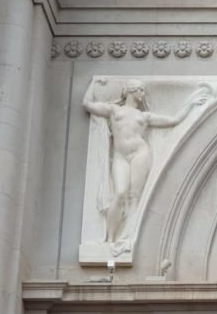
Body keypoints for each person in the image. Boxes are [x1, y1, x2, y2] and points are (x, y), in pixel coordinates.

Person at [83, 78, 209, 253]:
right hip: (120, 156)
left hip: (140, 154)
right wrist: (94, 83)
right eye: (141, 90)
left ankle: (128, 238)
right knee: (119, 194)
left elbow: (173, 120)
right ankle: (110, 240)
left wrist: (192, 103)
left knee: (135, 196)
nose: (143, 94)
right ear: (131, 91)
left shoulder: (144, 116)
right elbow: (87, 104)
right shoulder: (114, 110)